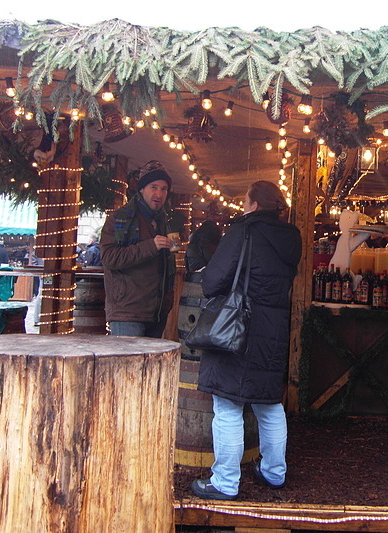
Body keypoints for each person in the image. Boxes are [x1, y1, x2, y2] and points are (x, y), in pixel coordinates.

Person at [191, 180, 302, 501]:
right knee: (269, 404)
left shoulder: (243, 231)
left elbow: (213, 281)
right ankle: (274, 473)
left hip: (236, 328)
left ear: (253, 204)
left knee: (227, 405)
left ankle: (225, 482)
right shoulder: (291, 237)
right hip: (273, 330)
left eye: (245, 201)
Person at [99, 160, 184, 338]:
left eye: (164, 188)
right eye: (154, 187)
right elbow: (109, 258)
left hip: (157, 312)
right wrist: (151, 246)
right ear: (142, 189)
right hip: (128, 313)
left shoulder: (164, 221)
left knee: (150, 366)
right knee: (128, 365)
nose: (159, 194)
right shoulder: (120, 218)